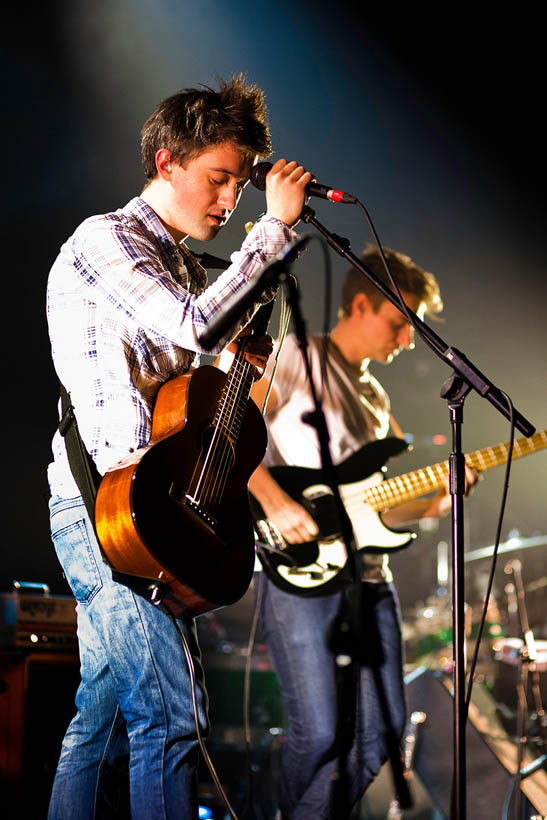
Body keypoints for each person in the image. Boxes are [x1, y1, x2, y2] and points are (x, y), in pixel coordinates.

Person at [46, 75, 312, 819]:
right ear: (166, 163)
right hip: (109, 508)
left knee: (97, 727)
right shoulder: (106, 240)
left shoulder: (188, 265)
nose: (229, 202)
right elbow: (194, 326)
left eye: (239, 184)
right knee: (170, 719)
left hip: (151, 504)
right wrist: (275, 229)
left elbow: (184, 401)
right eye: (216, 179)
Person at [248, 246, 474, 819]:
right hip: (301, 571)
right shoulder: (296, 356)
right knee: (320, 732)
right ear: (359, 304)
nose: (405, 339)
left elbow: (376, 509)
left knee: (384, 733)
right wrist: (274, 502)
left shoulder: (377, 399)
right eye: (399, 323)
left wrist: (436, 501)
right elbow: (230, 434)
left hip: (370, 577)